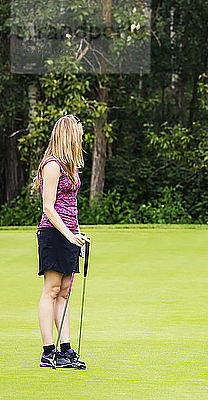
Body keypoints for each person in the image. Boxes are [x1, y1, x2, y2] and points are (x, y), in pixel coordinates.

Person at [35, 115, 90, 368]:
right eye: (79, 133)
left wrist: (77, 233)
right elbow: (49, 207)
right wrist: (68, 234)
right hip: (53, 233)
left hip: (70, 234)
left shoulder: (70, 166)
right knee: (52, 290)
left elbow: (71, 205)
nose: (81, 137)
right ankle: (49, 352)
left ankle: (65, 349)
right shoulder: (52, 165)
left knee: (65, 292)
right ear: (68, 135)